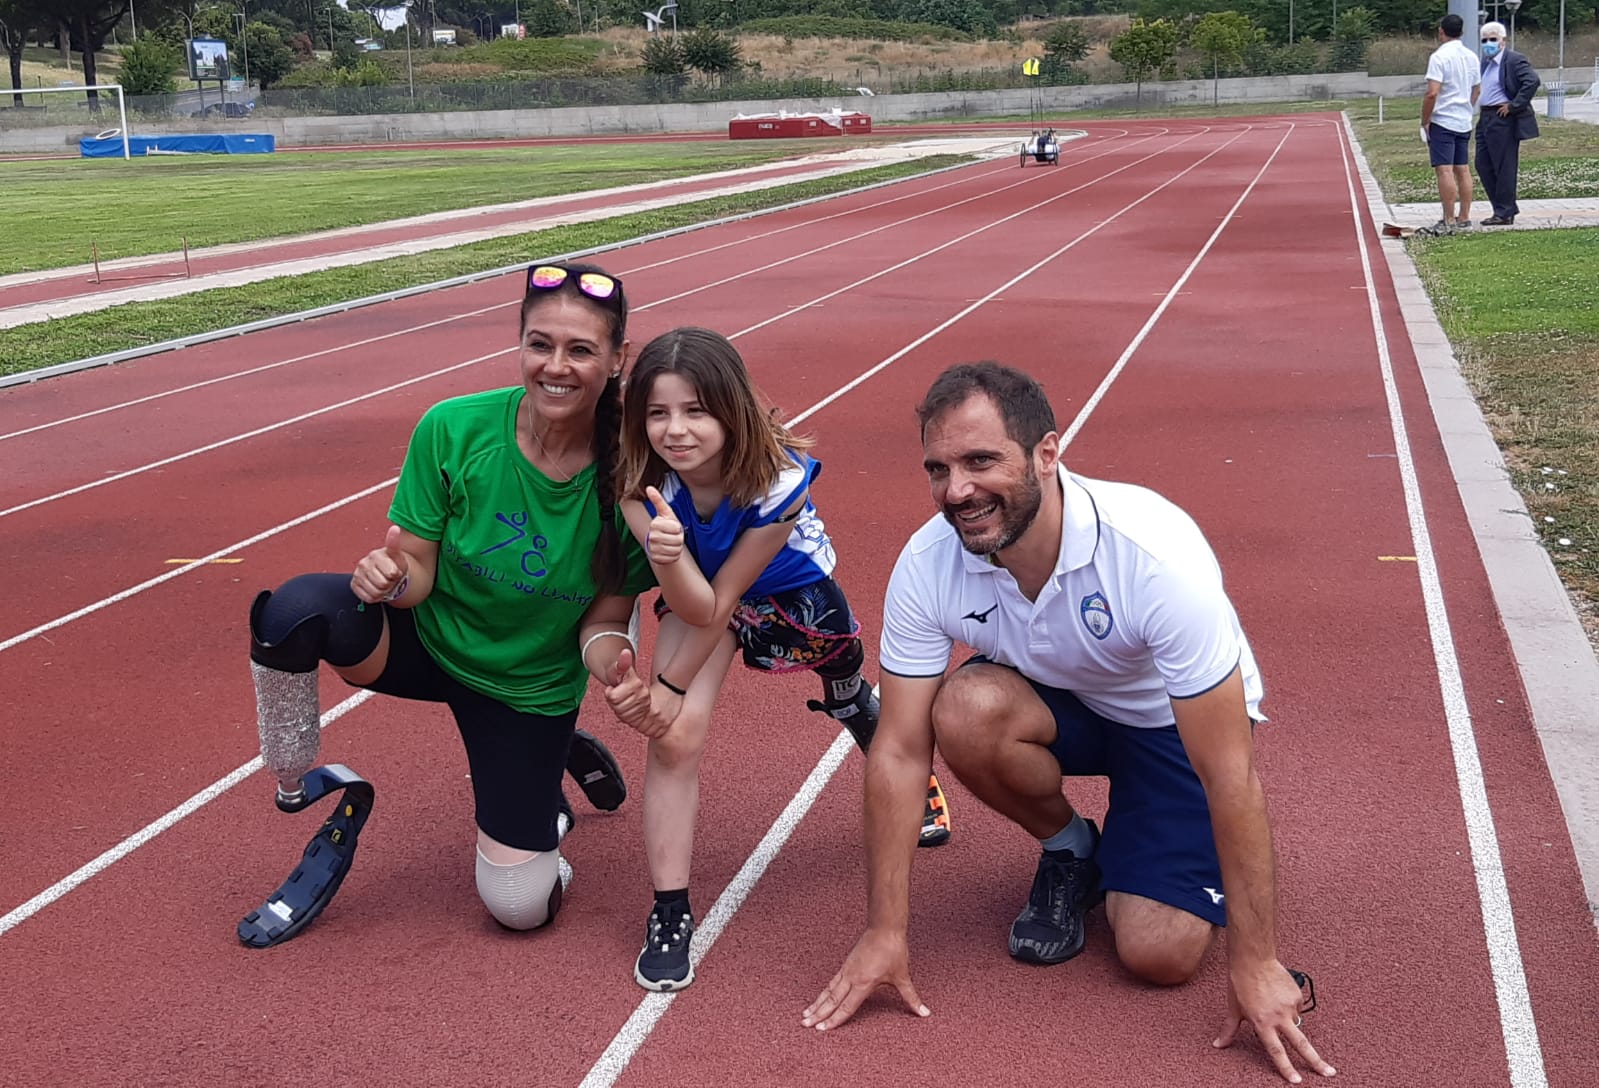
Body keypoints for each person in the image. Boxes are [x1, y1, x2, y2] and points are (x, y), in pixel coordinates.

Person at [803, 363, 1335, 1085]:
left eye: (980, 461)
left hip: (1169, 726)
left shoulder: (1152, 556)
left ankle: (1149, 849)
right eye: (938, 468)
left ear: (1046, 454)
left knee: (1158, 955)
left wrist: (1257, 960)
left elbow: (1229, 771)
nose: (956, 491)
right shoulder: (928, 563)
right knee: (962, 707)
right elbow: (897, 751)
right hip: (1063, 705)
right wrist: (883, 931)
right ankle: (1072, 849)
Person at [239, 261, 658, 947]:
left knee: (517, 907)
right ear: (520, 344)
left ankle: (545, 765)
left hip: (526, 688)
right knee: (295, 611)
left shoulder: (635, 474)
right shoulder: (453, 428)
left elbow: (606, 619)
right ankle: (292, 781)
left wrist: (614, 666)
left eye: (580, 350)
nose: (556, 366)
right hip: (428, 645)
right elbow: (417, 574)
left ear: (617, 359)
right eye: (540, 344)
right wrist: (388, 579)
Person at [605, 326, 951, 993]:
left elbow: (725, 599)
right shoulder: (637, 479)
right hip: (699, 590)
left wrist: (667, 684)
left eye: (695, 410)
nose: (674, 430)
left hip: (789, 592)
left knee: (841, 669)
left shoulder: (779, 481)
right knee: (673, 738)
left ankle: (857, 707)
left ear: (730, 408)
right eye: (657, 412)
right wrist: (666, 560)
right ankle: (670, 910)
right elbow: (697, 605)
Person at [1418, 13, 1482, 236]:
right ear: (1462, 32)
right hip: (1463, 119)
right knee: (1462, 168)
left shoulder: (1439, 57)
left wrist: (1425, 120)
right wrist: (1466, 107)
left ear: (1441, 31)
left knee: (1444, 169)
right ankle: (1464, 216)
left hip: (1443, 119)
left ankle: (1448, 218)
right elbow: (1477, 89)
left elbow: (1432, 92)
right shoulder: (1472, 56)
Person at [1475, 20, 1541, 227]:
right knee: (1482, 163)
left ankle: (1503, 212)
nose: (1488, 43)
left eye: (1493, 39)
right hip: (1485, 116)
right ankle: (1504, 208)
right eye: (1484, 40)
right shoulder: (1485, 63)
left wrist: (1514, 105)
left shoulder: (1514, 60)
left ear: (1502, 41)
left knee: (1503, 165)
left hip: (1502, 117)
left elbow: (1532, 81)